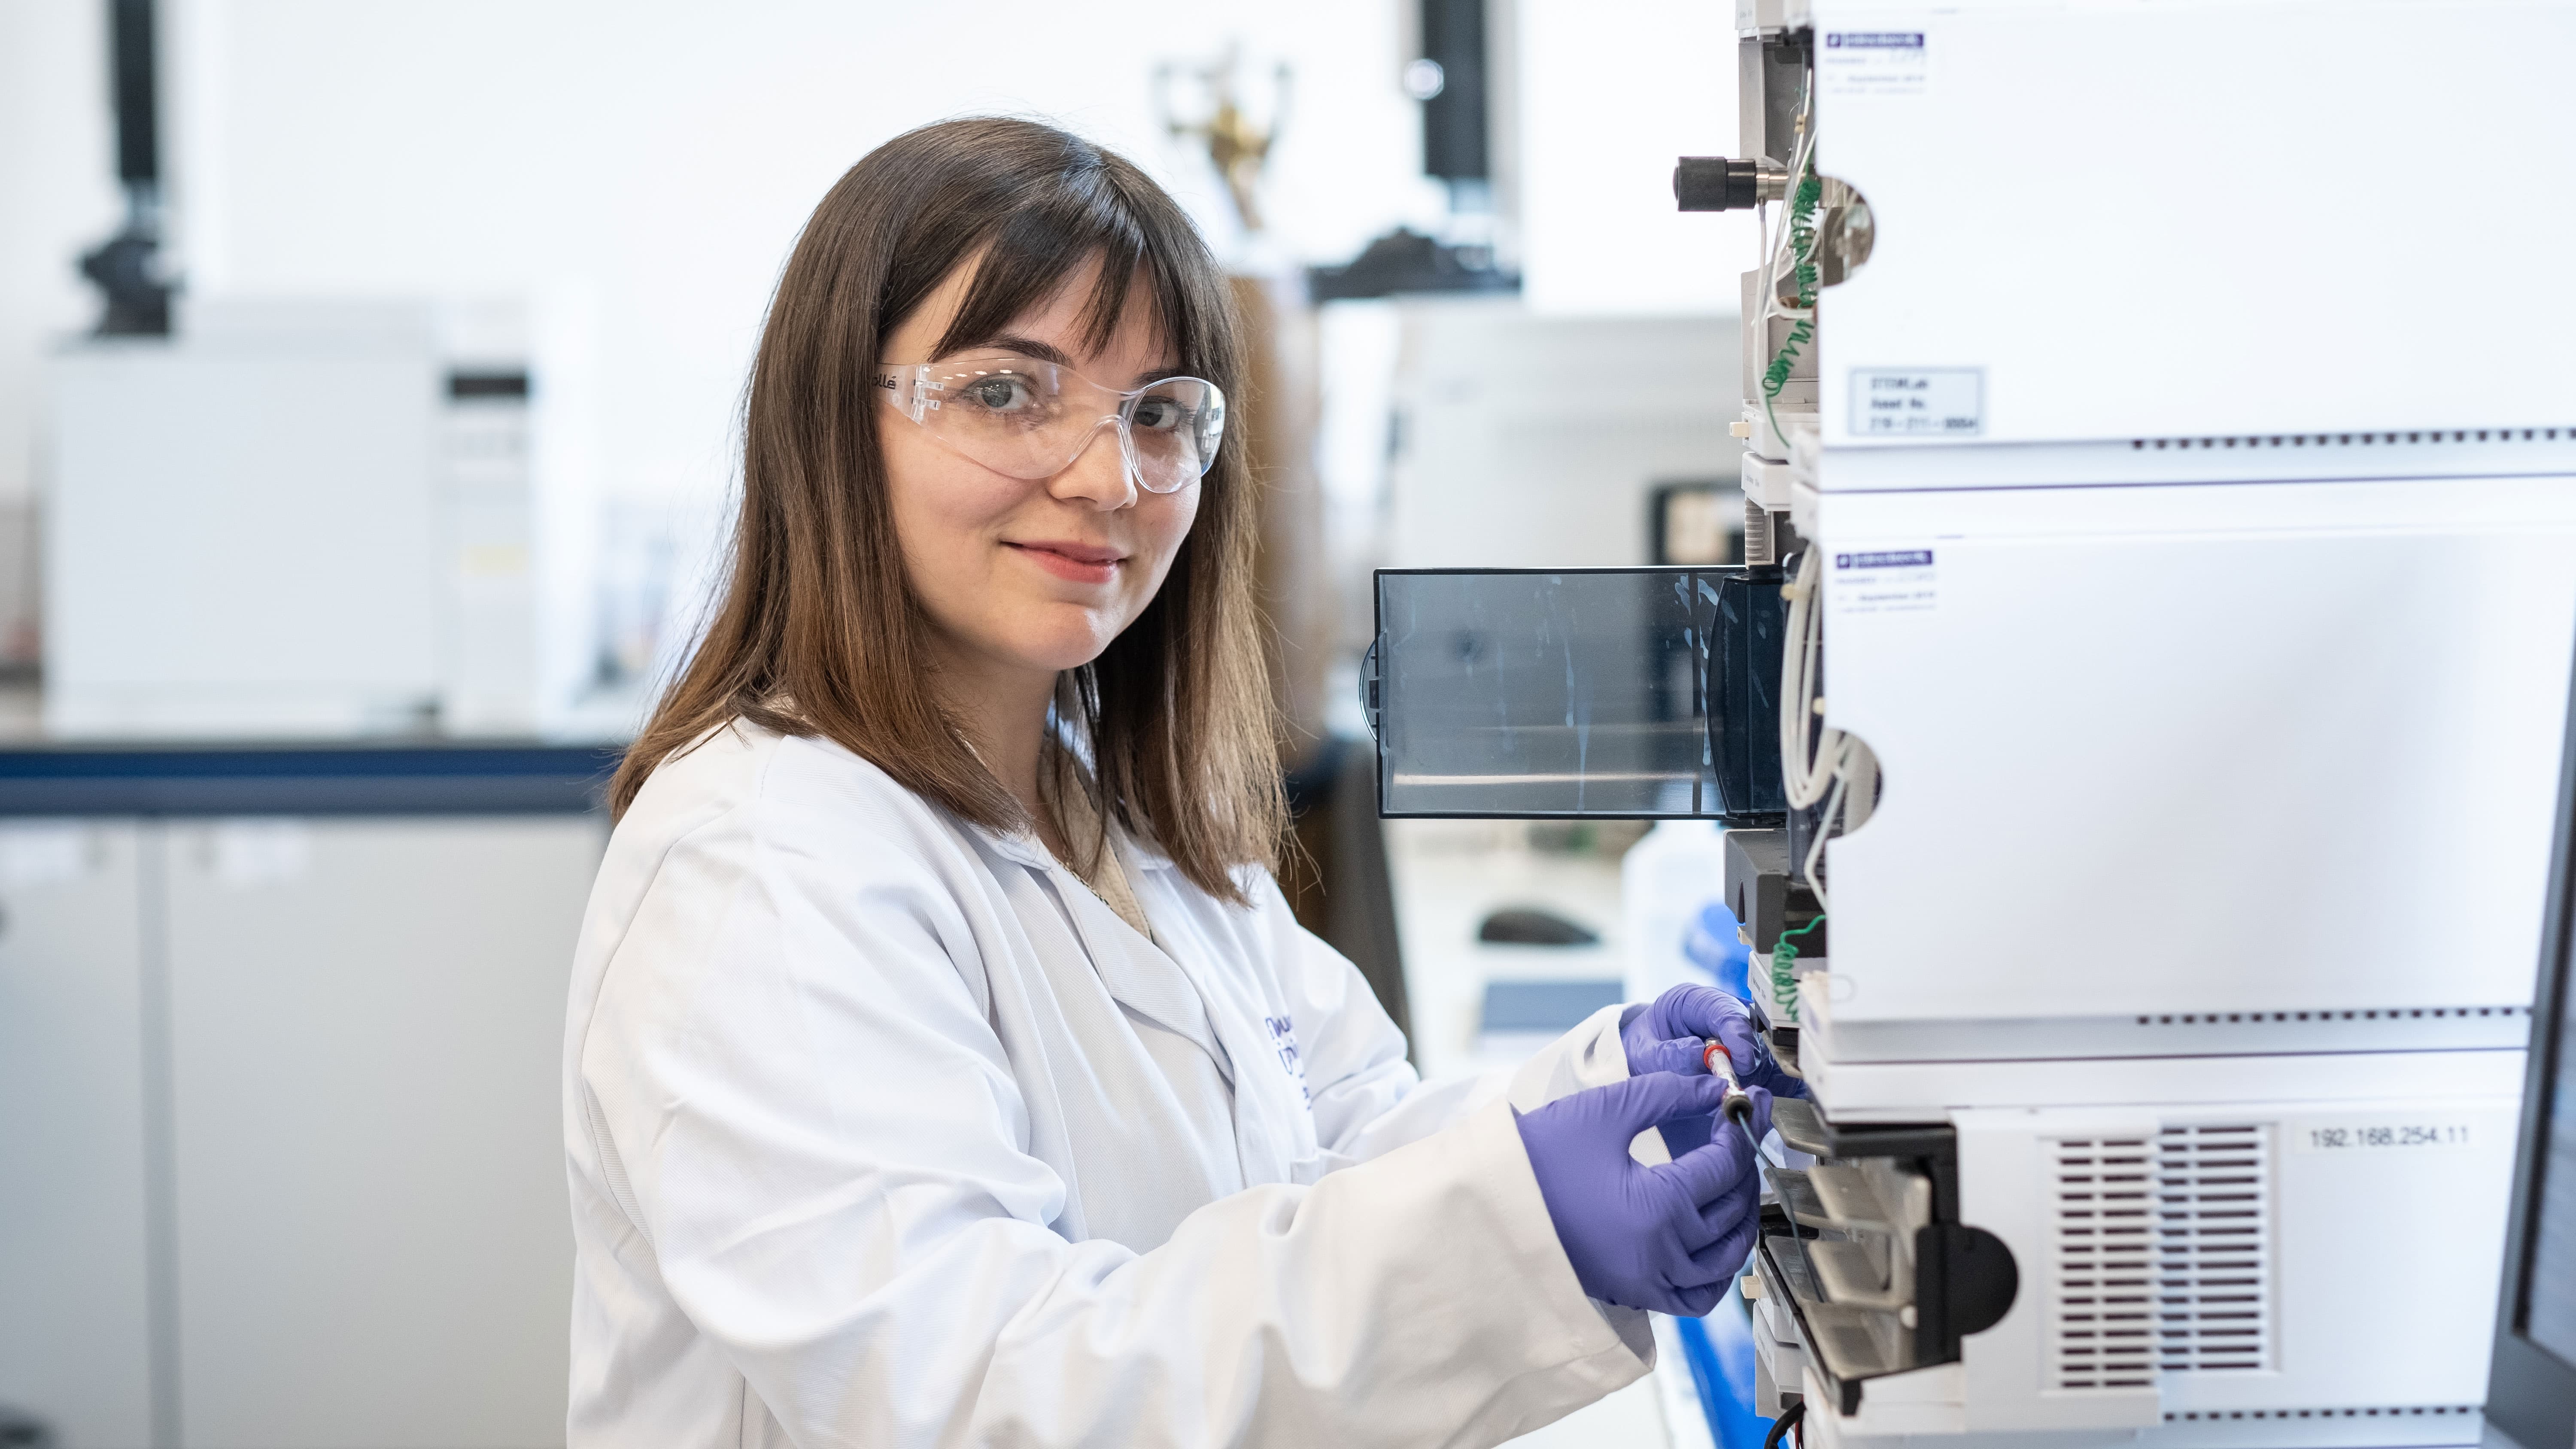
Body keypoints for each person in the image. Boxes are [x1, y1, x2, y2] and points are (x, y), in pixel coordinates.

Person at [562, 116, 1804, 1448]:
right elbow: (982, 1396)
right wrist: (1524, 1227)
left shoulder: (1109, 805)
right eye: (1005, 390)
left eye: (1159, 413)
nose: (1109, 477)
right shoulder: (765, 868)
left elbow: (1337, 1144)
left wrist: (1605, 1096)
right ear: (830, 424)